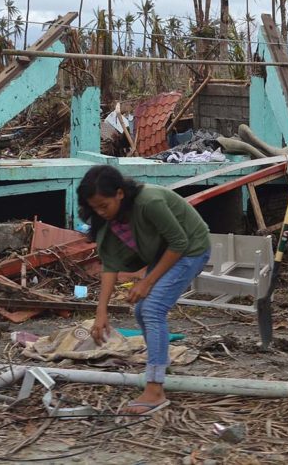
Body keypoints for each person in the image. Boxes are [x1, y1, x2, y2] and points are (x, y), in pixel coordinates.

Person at [77, 165, 211, 416]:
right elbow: (110, 265)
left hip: (191, 248)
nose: (99, 212)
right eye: (94, 208)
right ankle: (161, 370)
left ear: (119, 193)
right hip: (166, 253)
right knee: (141, 311)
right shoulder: (109, 219)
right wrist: (101, 312)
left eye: (103, 205)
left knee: (152, 309)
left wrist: (146, 282)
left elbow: (180, 243)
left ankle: (155, 389)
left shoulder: (149, 202)